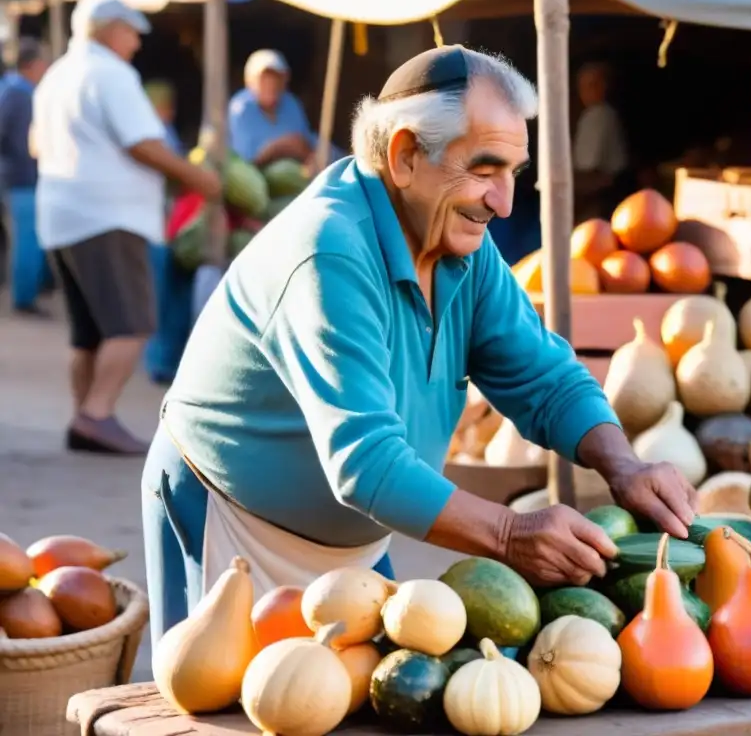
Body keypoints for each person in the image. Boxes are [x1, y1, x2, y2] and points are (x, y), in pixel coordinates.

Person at [141, 45, 698, 647]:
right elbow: (367, 462)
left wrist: (625, 466)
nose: (504, 202)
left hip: (357, 542)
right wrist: (510, 534)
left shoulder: (465, 247)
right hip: (230, 523)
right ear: (405, 156)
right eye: (484, 169)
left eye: (513, 173)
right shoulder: (330, 250)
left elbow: (545, 378)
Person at [33, 0, 221, 455]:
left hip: (62, 212)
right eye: (131, 32)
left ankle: (86, 416)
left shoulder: (57, 75)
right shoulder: (109, 74)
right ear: (108, 29)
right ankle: (97, 414)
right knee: (131, 324)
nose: (137, 43)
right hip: (108, 216)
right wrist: (200, 179)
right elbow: (143, 144)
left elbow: (35, 143)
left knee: (88, 331)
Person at [143, 79, 195, 385]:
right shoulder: (150, 136)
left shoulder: (165, 132)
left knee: (173, 299)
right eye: (163, 105)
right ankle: (159, 362)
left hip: (172, 228)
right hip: (157, 227)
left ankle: (168, 360)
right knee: (160, 301)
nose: (169, 111)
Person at [0, 38, 51, 315]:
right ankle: (24, 298)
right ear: (32, 65)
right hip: (22, 178)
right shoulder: (20, 94)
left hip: (16, 176)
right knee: (27, 239)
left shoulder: (12, 90)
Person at [228, 49, 319, 167]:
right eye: (264, 79)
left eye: (276, 79)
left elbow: (306, 145)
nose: (271, 85)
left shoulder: (291, 103)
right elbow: (246, 163)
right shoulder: (240, 108)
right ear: (249, 81)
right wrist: (278, 147)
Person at [572, 61, 629, 220]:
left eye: (592, 85)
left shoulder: (598, 115)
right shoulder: (600, 114)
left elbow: (589, 168)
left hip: (603, 195)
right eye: (582, 86)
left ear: (604, 86)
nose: (585, 91)